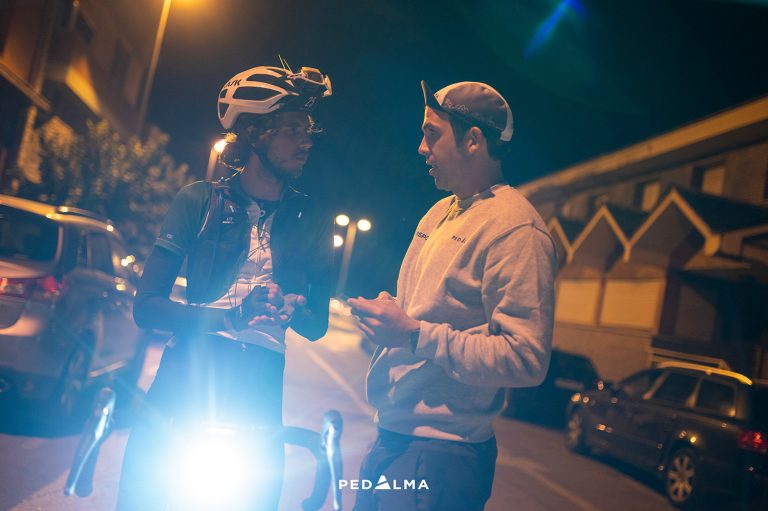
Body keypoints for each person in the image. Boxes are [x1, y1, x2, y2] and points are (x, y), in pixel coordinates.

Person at [116, 64, 334, 511]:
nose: (307, 141)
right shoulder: (199, 199)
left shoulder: (311, 219)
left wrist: (295, 307)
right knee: (144, 496)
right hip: (187, 376)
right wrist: (231, 317)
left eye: (308, 130)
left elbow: (316, 326)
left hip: (260, 387)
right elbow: (147, 307)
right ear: (254, 132)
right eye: (293, 129)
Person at [349, 80, 556, 511]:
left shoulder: (516, 229)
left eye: (432, 134)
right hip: (395, 438)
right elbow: (428, 314)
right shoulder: (440, 212)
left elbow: (526, 358)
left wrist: (413, 335)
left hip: (441, 455)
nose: (422, 148)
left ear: (473, 140)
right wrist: (394, 313)